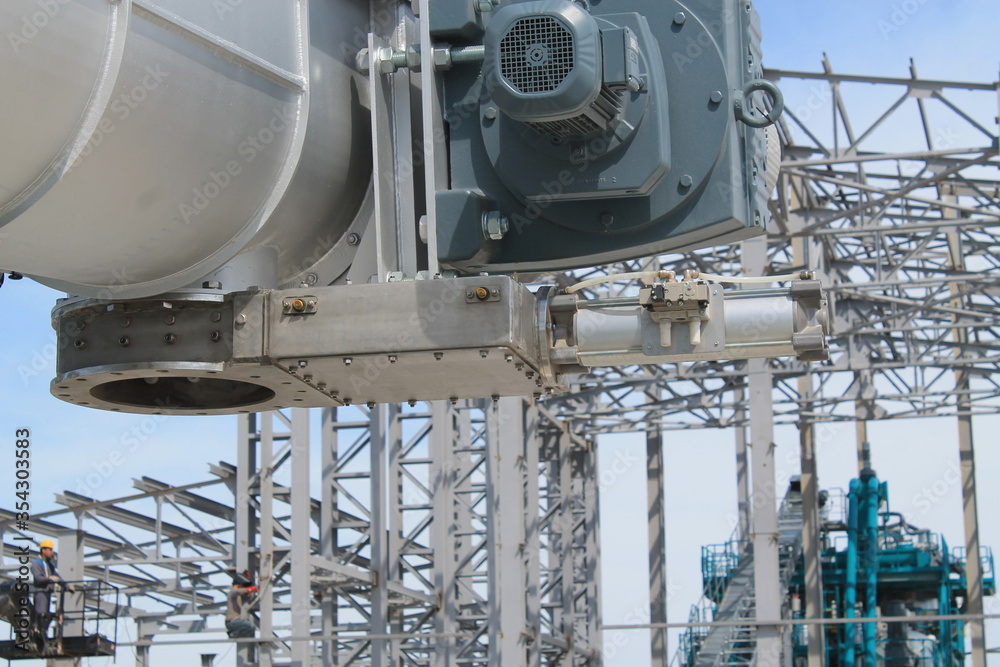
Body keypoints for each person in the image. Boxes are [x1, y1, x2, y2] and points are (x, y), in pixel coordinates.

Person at [30, 539, 61, 644]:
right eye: (50, 549)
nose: (52, 552)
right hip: (40, 593)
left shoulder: (49, 565)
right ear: (43, 550)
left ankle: (43, 632)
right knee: (41, 614)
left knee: (46, 615)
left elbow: (57, 577)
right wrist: (50, 579)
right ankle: (38, 632)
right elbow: (38, 578)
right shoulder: (37, 564)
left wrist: (67, 585)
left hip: (47, 593)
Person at [225, 571, 257, 639]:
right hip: (232, 621)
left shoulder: (238, 596)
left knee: (250, 628)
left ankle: (233, 633)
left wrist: (249, 587)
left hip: (235, 621)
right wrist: (248, 589)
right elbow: (236, 591)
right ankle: (233, 634)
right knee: (250, 626)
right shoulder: (232, 592)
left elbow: (248, 597)